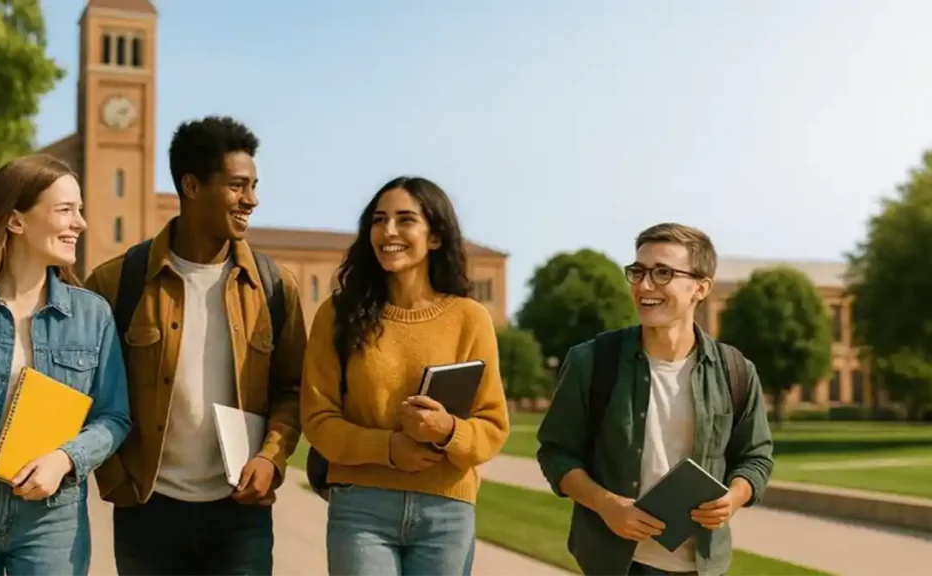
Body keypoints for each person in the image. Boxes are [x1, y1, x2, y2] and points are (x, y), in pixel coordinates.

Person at [84, 116, 308, 575]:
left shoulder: (273, 287)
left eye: (254, 186)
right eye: (237, 186)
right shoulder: (116, 283)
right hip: (147, 509)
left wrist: (271, 456)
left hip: (239, 514)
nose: (252, 200)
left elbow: (292, 390)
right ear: (191, 185)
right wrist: (114, 478)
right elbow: (85, 392)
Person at [536, 222, 774, 576]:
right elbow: (556, 452)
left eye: (663, 273)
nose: (644, 286)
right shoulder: (592, 361)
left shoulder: (735, 370)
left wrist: (734, 497)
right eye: (638, 272)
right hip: (617, 563)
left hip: (703, 565)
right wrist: (607, 505)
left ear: (701, 287)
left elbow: (755, 457)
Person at [301, 176, 510, 576]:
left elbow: (493, 428)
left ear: (434, 237)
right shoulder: (337, 315)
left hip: (447, 512)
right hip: (361, 507)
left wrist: (447, 429)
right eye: (379, 220)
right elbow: (317, 419)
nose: (389, 231)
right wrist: (389, 449)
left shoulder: (471, 319)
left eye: (405, 219)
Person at [0, 154, 131, 575]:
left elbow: (115, 416)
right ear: (16, 220)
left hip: (52, 519)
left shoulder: (93, 316)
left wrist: (65, 458)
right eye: (65, 210)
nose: (80, 224)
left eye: (80, 210)